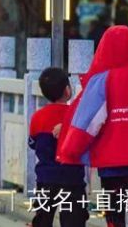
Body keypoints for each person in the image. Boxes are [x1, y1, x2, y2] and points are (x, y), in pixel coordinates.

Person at [58, 26, 128, 227]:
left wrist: (71, 151)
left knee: (114, 207)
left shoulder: (101, 82)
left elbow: (88, 121)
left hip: (110, 163)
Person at [28, 67, 88, 227]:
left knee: (42, 219)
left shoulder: (37, 117)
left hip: (45, 177)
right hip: (72, 177)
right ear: (68, 90)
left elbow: (32, 143)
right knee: (74, 220)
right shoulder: (75, 116)